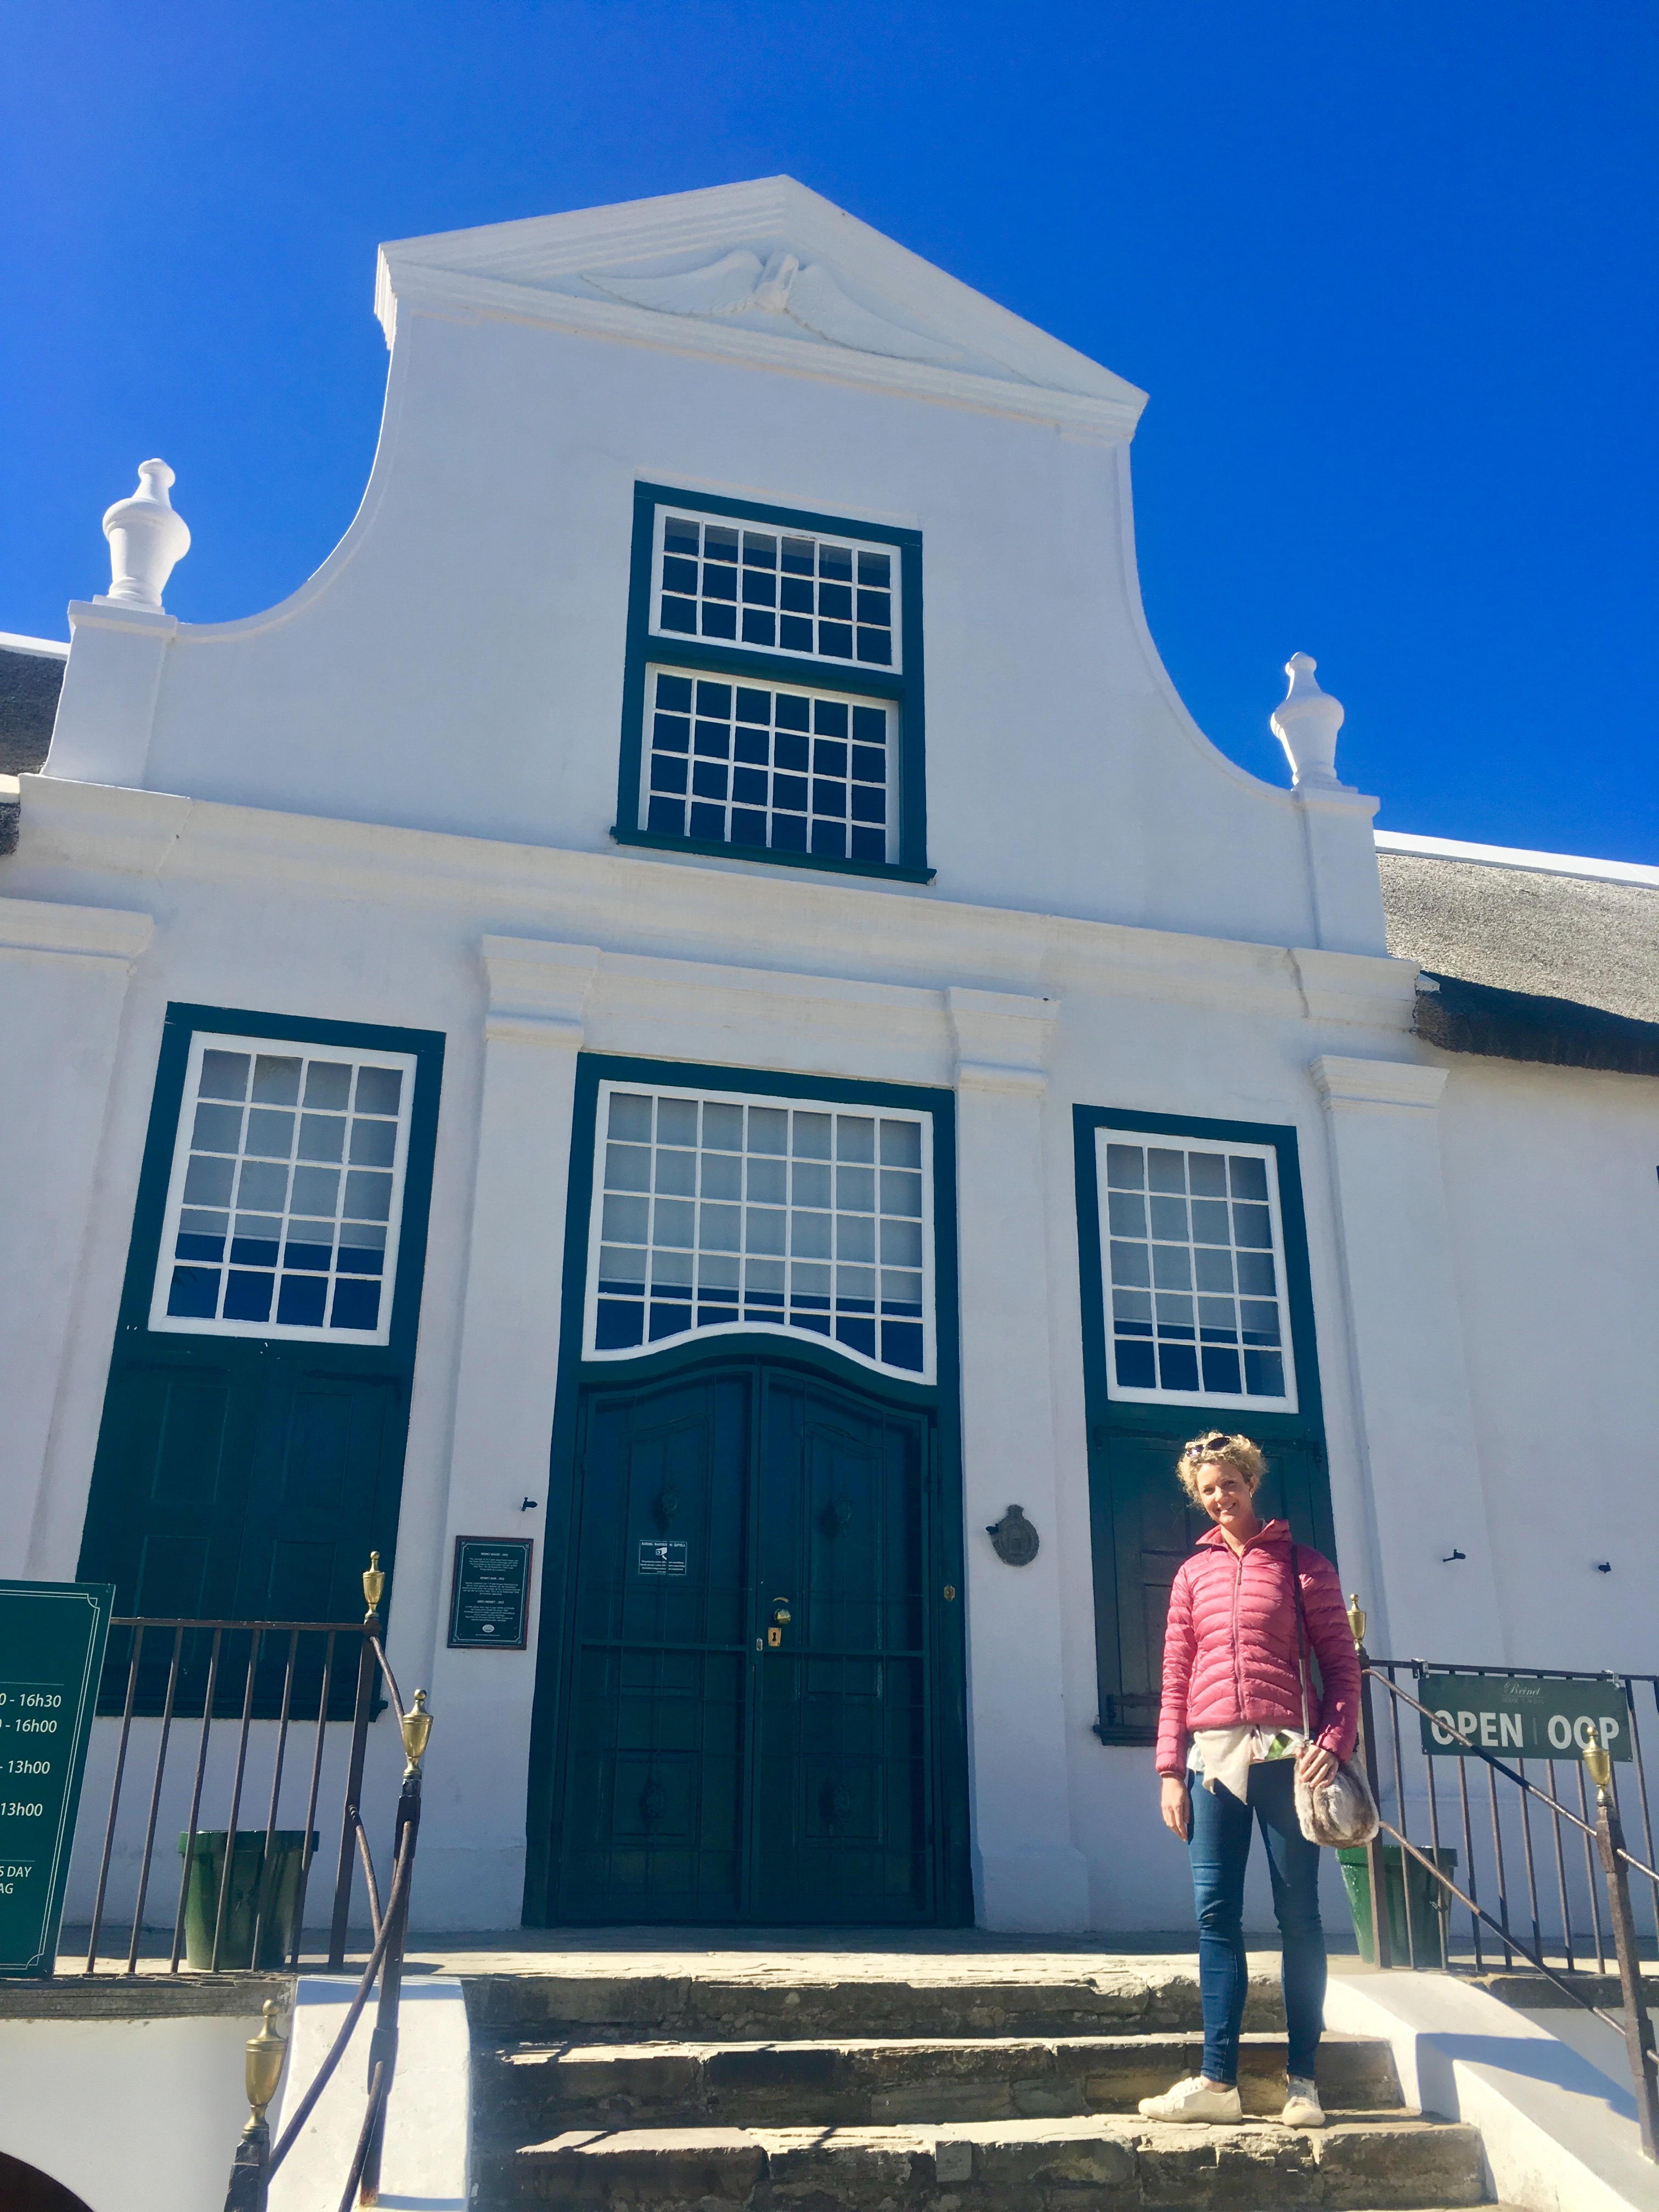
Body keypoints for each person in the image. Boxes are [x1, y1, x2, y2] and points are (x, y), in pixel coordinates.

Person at [1137, 1431, 1359, 2130]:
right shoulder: (1191, 1577)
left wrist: (1334, 1741)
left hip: (1289, 1761)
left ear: (1250, 1481)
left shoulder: (1303, 1565)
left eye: (1229, 1482)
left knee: (1300, 1919)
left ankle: (1304, 2082)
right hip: (1212, 1765)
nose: (1219, 1496)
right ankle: (1217, 2083)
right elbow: (1175, 1676)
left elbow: (1342, 1669)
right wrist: (1170, 1769)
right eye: (1207, 1489)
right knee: (1215, 1919)